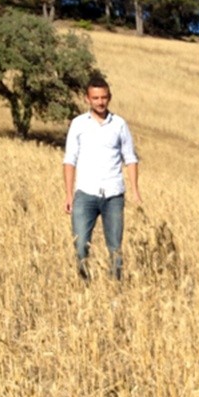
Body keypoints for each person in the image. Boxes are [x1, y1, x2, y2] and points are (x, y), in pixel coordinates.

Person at [64, 76, 141, 280]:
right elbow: (69, 160)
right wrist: (69, 195)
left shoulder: (119, 124)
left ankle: (114, 288)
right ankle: (85, 286)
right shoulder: (78, 124)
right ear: (87, 99)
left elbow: (130, 158)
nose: (100, 102)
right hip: (85, 193)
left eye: (104, 97)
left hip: (113, 195)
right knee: (80, 246)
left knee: (115, 249)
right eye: (96, 97)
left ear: (109, 97)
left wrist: (135, 191)